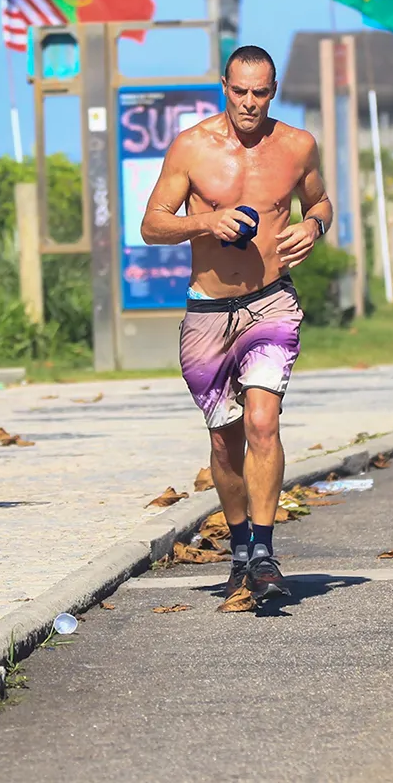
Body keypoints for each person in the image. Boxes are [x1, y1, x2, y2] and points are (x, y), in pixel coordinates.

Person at [140, 45, 333, 602]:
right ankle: (242, 547)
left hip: (271, 303)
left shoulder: (297, 145)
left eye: (262, 92)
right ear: (224, 86)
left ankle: (267, 553)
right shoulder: (193, 147)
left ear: (274, 91)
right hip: (207, 312)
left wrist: (313, 229)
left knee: (262, 423)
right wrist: (207, 220)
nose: (250, 103)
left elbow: (320, 203)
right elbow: (153, 224)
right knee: (225, 445)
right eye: (240, 91)